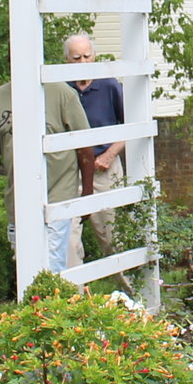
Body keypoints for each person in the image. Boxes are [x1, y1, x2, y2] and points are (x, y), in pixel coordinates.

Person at [0, 75, 97, 273]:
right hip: (18, 202)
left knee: (51, 266)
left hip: (58, 195)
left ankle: (52, 302)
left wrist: (86, 193)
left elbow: (84, 146)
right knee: (26, 269)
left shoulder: (61, 93)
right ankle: (50, 303)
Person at [64, 33, 129, 257]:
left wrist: (109, 155)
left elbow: (130, 125)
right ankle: (74, 291)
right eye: (76, 58)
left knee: (113, 238)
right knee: (67, 240)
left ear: (94, 56)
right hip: (71, 173)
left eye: (86, 56)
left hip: (104, 169)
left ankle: (131, 290)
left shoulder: (109, 85)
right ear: (67, 60)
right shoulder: (62, 88)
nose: (82, 62)